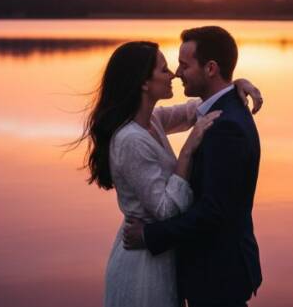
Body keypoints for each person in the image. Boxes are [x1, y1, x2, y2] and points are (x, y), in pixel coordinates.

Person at [76, 39, 263, 307]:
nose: (174, 73)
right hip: (143, 261)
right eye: (164, 69)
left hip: (160, 251)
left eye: (178, 66)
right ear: (144, 83)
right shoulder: (130, 139)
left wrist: (235, 84)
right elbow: (164, 210)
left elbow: (196, 110)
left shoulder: (152, 121)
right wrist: (187, 152)